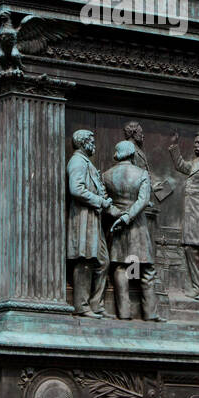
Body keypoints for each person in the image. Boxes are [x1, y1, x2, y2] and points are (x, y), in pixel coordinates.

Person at [103, 141, 161, 320]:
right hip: (136, 225)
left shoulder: (106, 175)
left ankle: (125, 313)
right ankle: (149, 314)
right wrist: (128, 217)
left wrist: (117, 214)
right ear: (132, 154)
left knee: (121, 266)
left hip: (116, 225)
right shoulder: (142, 173)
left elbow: (104, 200)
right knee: (144, 269)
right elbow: (143, 200)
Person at [168, 130, 199, 300]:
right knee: (190, 248)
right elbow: (181, 166)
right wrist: (174, 146)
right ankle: (196, 286)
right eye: (195, 142)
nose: (195, 145)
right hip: (190, 213)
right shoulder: (196, 162)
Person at [66, 129, 112, 316]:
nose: (94, 143)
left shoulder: (86, 162)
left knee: (102, 261)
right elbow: (76, 189)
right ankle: (82, 306)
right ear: (83, 142)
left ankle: (95, 305)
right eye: (91, 140)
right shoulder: (77, 161)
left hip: (93, 218)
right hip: (83, 218)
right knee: (84, 260)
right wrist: (100, 201)